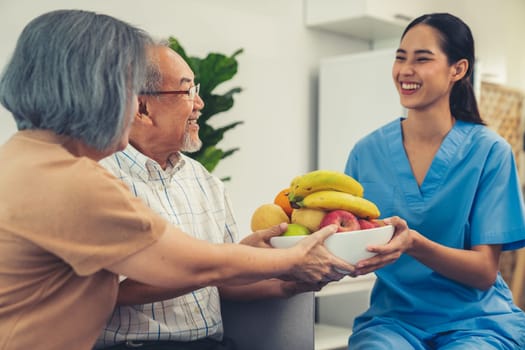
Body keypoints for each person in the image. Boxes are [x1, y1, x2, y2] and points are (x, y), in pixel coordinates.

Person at [0, 10, 355, 350]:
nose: (132, 102)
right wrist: (296, 258)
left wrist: (279, 272)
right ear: (96, 90)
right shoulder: (69, 179)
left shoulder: (25, 160)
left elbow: (202, 266)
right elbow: (194, 264)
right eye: (126, 85)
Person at [95, 43, 324, 350]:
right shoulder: (100, 180)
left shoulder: (205, 181)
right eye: (187, 91)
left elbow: (223, 284)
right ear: (142, 108)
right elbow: (115, 291)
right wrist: (222, 264)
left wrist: (289, 284)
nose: (200, 103)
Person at [344, 13, 525, 350]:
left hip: (476, 322)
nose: (405, 70)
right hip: (393, 322)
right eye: (400, 58)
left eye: (422, 59)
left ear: (458, 69)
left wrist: (413, 243)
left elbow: (485, 271)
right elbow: (348, 234)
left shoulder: (490, 152)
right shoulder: (366, 152)